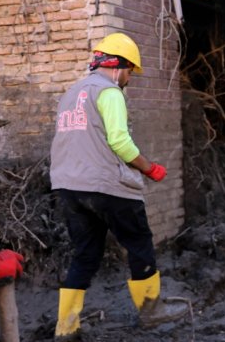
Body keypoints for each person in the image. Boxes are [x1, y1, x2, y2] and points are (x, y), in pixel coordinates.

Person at [50, 33, 187, 339]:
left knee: (85, 253)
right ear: (118, 66)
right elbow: (120, 142)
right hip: (106, 185)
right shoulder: (109, 92)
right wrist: (150, 168)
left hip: (68, 187)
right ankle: (152, 312)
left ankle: (66, 327)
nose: (128, 80)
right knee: (139, 243)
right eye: (129, 72)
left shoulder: (72, 93)